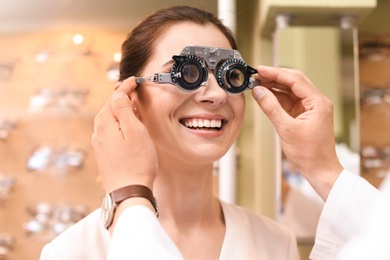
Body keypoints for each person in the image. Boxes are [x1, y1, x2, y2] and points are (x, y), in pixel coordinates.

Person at [39, 5, 300, 260]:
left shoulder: (276, 244)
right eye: (187, 73)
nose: (217, 95)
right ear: (129, 99)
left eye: (229, 76)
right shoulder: (70, 252)